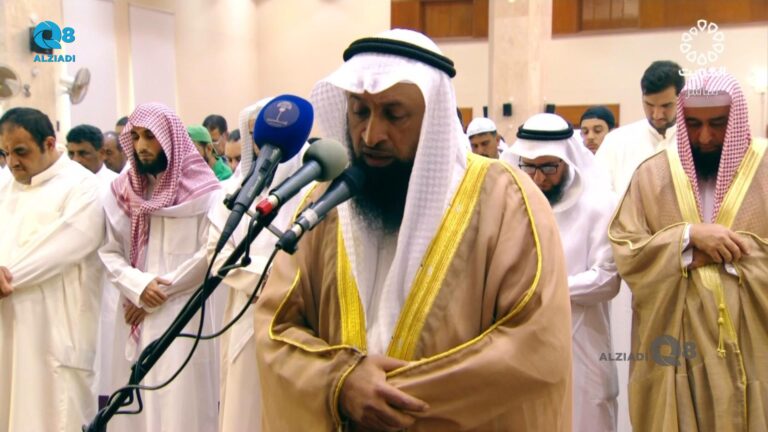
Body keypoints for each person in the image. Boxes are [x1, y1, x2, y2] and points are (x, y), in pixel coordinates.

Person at [254, 29, 573, 432]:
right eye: (359, 112)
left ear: (433, 119)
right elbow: (275, 326)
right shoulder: (325, 204)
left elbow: (535, 344)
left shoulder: (506, 200)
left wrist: (389, 401)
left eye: (394, 114)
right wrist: (340, 383)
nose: (371, 135)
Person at [609, 70, 768, 430]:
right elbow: (626, 245)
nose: (705, 137)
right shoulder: (653, 174)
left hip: (754, 340)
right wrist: (686, 240)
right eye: (694, 124)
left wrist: (731, 253)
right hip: (677, 343)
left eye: (718, 124)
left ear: (736, 119)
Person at [99, 103, 221, 432]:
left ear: (170, 138)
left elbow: (210, 254)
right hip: (133, 311)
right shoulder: (122, 190)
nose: (142, 145)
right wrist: (138, 288)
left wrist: (156, 293)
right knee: (134, 410)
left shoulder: (205, 191)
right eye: (136, 137)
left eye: (150, 136)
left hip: (183, 313)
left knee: (181, 407)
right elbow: (109, 250)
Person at [503, 113, 620, 432]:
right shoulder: (515, 204)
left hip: (581, 344)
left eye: (548, 168)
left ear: (568, 162)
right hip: (525, 342)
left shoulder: (599, 204)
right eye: (529, 167)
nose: (538, 179)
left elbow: (607, 280)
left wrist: (543, 288)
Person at [0, 107, 105, 431]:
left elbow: (62, 247)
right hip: (8, 327)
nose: (12, 162)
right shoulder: (5, 187)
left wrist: (5, 276)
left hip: (58, 335)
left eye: (21, 152)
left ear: (49, 143)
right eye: (5, 153)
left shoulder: (82, 186)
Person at [210, 98, 311, 432]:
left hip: (296, 319)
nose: (266, 142)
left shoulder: (312, 189)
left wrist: (277, 285)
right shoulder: (234, 191)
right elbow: (217, 253)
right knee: (243, 408)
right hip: (244, 312)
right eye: (256, 134)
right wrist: (261, 282)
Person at [596, 60, 684, 195]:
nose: (657, 114)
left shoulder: (695, 142)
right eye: (649, 105)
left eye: (666, 105)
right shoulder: (616, 142)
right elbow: (597, 194)